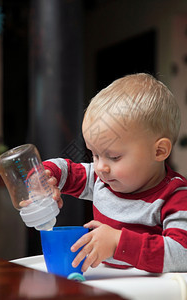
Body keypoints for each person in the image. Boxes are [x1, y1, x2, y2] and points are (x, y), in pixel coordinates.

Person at [43, 73, 187, 274]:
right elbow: (69, 172)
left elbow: (183, 253)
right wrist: (47, 176)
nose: (101, 166)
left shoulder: (175, 197)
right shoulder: (103, 179)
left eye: (114, 156)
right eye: (94, 155)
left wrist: (119, 242)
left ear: (159, 151)